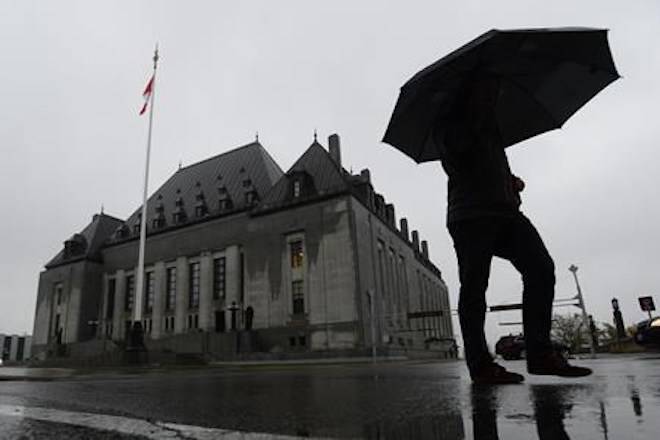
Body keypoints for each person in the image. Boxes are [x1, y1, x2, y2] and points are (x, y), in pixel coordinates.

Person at [437, 76, 592, 384]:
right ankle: (480, 365)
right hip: (470, 215)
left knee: (541, 269)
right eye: (490, 88)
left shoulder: (491, 124)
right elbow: (460, 160)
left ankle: (540, 354)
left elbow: (487, 164)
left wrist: (510, 180)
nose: (497, 93)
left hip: (505, 211)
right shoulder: (450, 122)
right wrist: (478, 114)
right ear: (473, 91)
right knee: (474, 287)